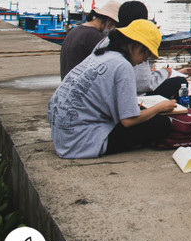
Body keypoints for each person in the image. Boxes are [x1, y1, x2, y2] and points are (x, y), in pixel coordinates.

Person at [48, 19, 176, 159]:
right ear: (136, 46)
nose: (144, 61)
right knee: (162, 124)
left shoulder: (101, 53)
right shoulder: (123, 65)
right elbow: (128, 121)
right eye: (146, 55)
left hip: (63, 136)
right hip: (81, 141)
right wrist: (159, 108)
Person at [116, 1, 191, 101]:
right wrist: (165, 73)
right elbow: (145, 84)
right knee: (180, 82)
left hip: (124, 93)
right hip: (134, 97)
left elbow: (140, 77)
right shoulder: (135, 44)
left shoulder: (112, 39)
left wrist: (172, 72)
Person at [59, 0, 121, 79]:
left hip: (67, 80)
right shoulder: (94, 36)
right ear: (109, 22)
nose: (113, 29)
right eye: (114, 25)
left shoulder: (76, 30)